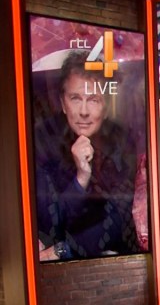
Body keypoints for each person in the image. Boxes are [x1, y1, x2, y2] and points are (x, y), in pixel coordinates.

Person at [35, 51, 143, 261]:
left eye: (93, 99)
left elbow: (120, 219)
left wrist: (63, 250)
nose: (84, 111)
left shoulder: (122, 142)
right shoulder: (44, 143)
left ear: (106, 106)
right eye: (75, 98)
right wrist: (81, 178)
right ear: (63, 103)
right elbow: (49, 224)